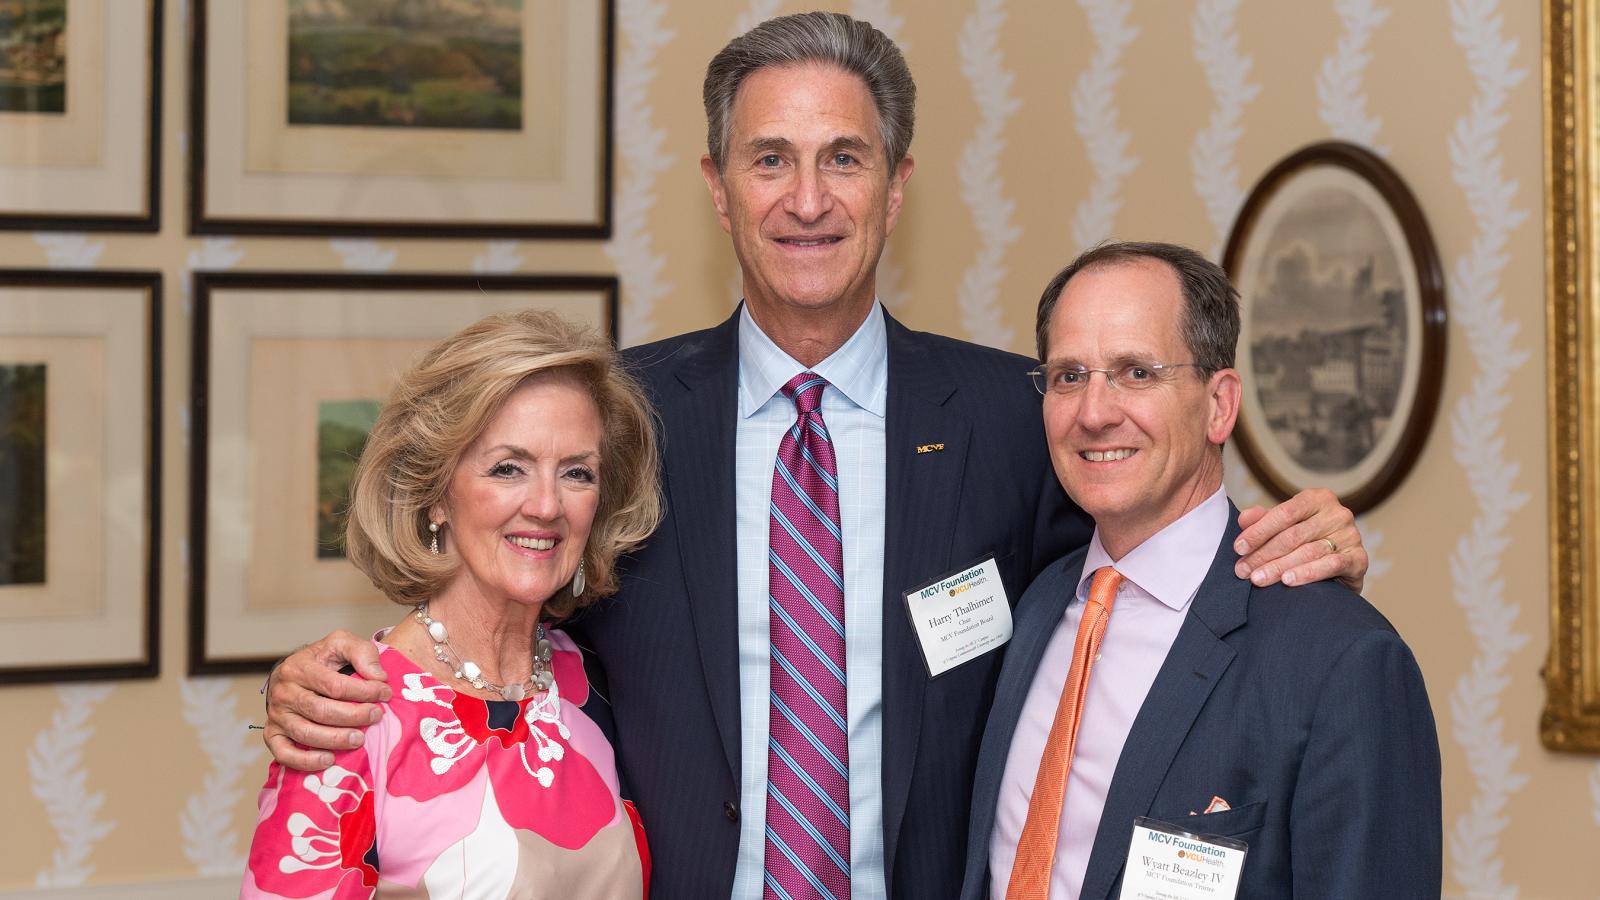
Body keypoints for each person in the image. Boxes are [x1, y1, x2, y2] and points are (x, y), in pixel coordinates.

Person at [261, 14, 1372, 900]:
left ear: (894, 188)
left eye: (844, 158)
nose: (807, 200)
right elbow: (500, 605)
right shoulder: (619, 421)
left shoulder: (1008, 414)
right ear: (716, 187)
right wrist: (330, 684)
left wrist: (1290, 548)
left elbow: (1144, 569)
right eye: (770, 160)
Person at [960, 242, 1440, 900]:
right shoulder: (1035, 606)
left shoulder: (1342, 660)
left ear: (1219, 404)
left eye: (1136, 373)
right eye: (1070, 375)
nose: (1095, 413)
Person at [240, 310, 663, 898]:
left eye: (576, 473)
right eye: (508, 468)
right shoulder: (348, 712)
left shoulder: (595, 680)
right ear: (436, 493)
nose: (546, 505)